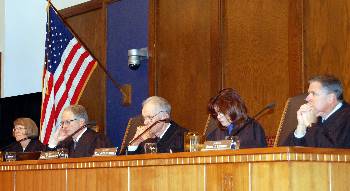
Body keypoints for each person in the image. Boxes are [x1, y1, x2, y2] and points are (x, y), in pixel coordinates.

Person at [290, 75, 350, 148]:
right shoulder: (317, 117)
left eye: (313, 93)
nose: (307, 98)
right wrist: (301, 127)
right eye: (308, 94)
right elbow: (286, 152)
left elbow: (332, 153)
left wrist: (311, 125)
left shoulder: (347, 117)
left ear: (331, 98)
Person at [48, 104, 113, 158]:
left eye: (67, 122)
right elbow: (47, 165)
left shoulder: (99, 140)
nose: (64, 126)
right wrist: (54, 141)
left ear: (81, 122)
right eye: (62, 123)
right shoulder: (65, 143)